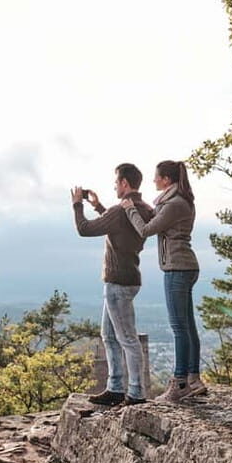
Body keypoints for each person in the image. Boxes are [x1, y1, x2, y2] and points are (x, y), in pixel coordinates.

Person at [121, 160, 205, 403]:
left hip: (177, 268)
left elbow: (145, 230)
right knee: (188, 326)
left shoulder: (174, 204)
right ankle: (193, 379)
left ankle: (180, 382)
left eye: (156, 177)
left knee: (180, 327)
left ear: (166, 179)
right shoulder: (178, 201)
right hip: (185, 266)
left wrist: (129, 208)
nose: (153, 181)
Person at [72, 163, 154, 406]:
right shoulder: (141, 209)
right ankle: (115, 387)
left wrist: (78, 204)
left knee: (127, 338)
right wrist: (98, 206)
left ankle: (136, 393)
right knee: (108, 335)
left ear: (125, 184)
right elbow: (122, 226)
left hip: (118, 282)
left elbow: (84, 229)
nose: (114, 186)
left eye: (116, 182)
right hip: (128, 278)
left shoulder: (121, 211)